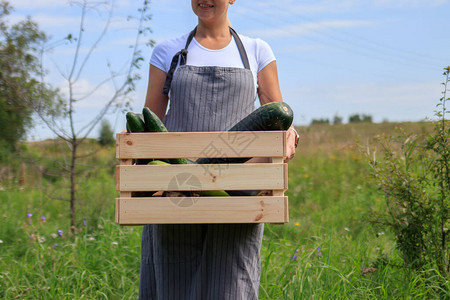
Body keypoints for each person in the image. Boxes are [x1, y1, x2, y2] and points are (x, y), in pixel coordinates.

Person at [139, 0, 299, 299]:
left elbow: (277, 114)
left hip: (239, 190)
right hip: (178, 189)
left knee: (231, 283)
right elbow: (151, 120)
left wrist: (290, 134)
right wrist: (131, 139)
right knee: (175, 281)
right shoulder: (166, 51)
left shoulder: (257, 51)